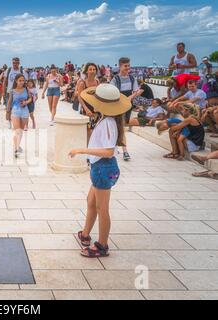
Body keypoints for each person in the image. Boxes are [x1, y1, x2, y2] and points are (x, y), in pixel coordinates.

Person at [68, 83, 131, 258]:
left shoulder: (108, 122)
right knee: (91, 202)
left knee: (102, 208)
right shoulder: (106, 119)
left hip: (104, 168)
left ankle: (102, 246)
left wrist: (81, 150)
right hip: (99, 168)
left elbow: (109, 151)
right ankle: (85, 233)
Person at [110, 57, 141, 161]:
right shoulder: (115, 79)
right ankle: (125, 150)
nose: (128, 68)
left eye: (128, 65)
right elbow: (112, 92)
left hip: (128, 105)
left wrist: (129, 98)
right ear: (120, 66)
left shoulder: (132, 78)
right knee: (121, 127)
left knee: (120, 127)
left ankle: (116, 148)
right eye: (125, 66)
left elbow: (136, 91)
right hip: (118, 106)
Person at [7, 74, 32, 158]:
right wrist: (7, 112)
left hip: (25, 111)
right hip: (15, 111)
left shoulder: (26, 89)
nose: (22, 82)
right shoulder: (12, 91)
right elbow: (9, 101)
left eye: (23, 80)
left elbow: (30, 98)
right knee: (17, 131)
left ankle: (16, 146)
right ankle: (16, 149)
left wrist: (26, 102)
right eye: (20, 80)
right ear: (16, 81)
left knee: (20, 131)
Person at [77, 63, 100, 137]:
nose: (92, 71)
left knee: (96, 129)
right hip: (86, 108)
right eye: (90, 69)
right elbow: (79, 97)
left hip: (95, 108)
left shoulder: (97, 82)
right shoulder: (82, 83)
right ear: (86, 71)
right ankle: (88, 147)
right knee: (88, 130)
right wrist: (86, 109)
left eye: (94, 69)